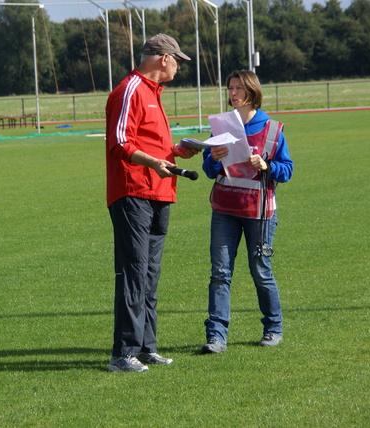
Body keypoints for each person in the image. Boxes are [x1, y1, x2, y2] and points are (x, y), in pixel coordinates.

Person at [105, 34, 198, 372]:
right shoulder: (129, 89)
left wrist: (175, 152)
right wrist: (152, 162)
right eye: (177, 60)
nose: (178, 66)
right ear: (163, 58)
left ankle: (146, 347)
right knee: (133, 272)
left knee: (150, 274)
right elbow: (118, 142)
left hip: (160, 193)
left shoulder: (154, 95)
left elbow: (150, 145)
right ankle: (122, 354)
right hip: (133, 192)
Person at [201, 70, 293, 354]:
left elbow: (287, 170)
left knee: (261, 272)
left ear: (252, 92)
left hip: (260, 213)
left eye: (238, 88)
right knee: (220, 274)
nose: (233, 93)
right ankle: (216, 337)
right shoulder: (220, 126)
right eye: (230, 88)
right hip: (225, 210)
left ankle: (273, 329)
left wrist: (267, 165)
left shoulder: (273, 129)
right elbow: (208, 170)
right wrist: (213, 159)